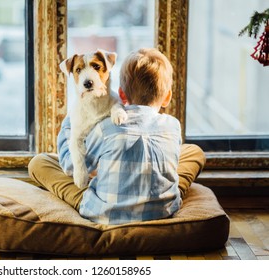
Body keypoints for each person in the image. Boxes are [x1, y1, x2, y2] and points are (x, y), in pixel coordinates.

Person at [28, 48, 205, 225]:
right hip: (164, 212)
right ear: (167, 97)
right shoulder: (173, 125)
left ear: (121, 94)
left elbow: (70, 167)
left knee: (40, 162)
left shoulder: (105, 128)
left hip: (105, 213)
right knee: (194, 152)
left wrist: (71, 120)